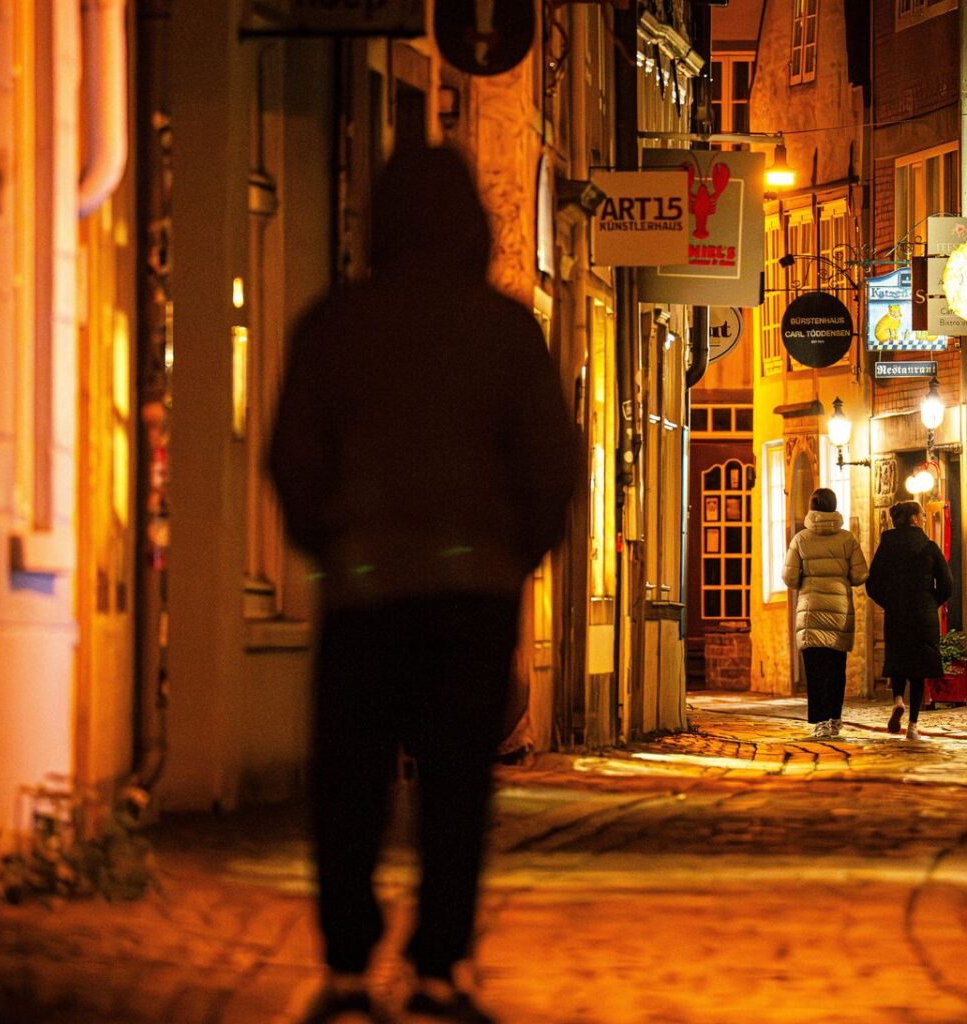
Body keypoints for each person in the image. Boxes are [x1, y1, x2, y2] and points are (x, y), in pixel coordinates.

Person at [269, 146, 579, 1024]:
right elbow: (552, 466)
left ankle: (345, 961)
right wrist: (510, 555)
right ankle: (440, 963)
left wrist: (331, 547)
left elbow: (294, 452)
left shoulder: (338, 324)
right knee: (455, 789)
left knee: (350, 783)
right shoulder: (505, 332)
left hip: (365, 590)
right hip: (471, 596)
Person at [782, 488, 869, 737]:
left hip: (810, 610)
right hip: (839, 609)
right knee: (836, 667)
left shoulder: (801, 539)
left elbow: (789, 576)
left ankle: (819, 721)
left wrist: (804, 580)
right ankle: (835, 718)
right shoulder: (847, 539)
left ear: (812, 507)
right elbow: (860, 574)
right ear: (834, 506)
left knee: (815, 670)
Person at [865, 500, 952, 741]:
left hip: (896, 613)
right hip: (922, 614)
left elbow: (872, 584)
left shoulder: (887, 547)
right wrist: (929, 602)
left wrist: (890, 602)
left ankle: (897, 700)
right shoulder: (929, 547)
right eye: (922, 515)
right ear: (914, 519)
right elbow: (947, 585)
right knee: (918, 670)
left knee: (898, 660)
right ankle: (913, 726)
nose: (924, 518)